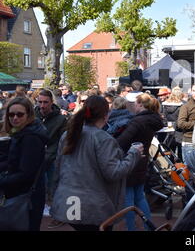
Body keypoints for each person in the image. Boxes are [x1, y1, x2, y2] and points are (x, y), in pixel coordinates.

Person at [50, 96, 143, 231]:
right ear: (106, 115)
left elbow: (58, 167)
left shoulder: (68, 135)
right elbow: (114, 172)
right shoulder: (102, 138)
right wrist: (134, 154)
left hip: (68, 201)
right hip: (93, 205)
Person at [116, 94, 164, 231]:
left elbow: (122, 141)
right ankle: (148, 227)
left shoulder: (137, 122)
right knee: (140, 197)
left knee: (129, 200)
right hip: (142, 161)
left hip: (131, 161)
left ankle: (131, 228)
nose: (134, 106)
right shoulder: (151, 120)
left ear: (141, 105)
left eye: (136, 104)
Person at [0, 97, 48, 231]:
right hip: (22, 193)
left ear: (28, 115)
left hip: (27, 196)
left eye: (19, 114)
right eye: (11, 114)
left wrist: (1, 180)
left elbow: (26, 173)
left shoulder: (31, 138)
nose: (15, 118)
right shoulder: (20, 133)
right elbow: (12, 162)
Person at [35, 89, 68, 229]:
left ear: (51, 102)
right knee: (38, 187)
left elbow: (63, 140)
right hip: (36, 158)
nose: (42, 105)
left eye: (45, 102)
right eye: (40, 102)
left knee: (55, 188)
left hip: (52, 158)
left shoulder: (60, 119)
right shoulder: (32, 115)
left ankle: (58, 216)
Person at [177, 84, 195, 160]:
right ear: (191, 92)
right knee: (189, 169)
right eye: (194, 91)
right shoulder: (185, 106)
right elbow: (180, 124)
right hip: (189, 141)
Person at [161, 87, 185, 160]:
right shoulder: (182, 105)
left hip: (168, 131)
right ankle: (181, 170)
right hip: (180, 131)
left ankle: (172, 170)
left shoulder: (165, 105)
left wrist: (169, 125)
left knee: (170, 153)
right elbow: (181, 120)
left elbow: (164, 118)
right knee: (181, 155)